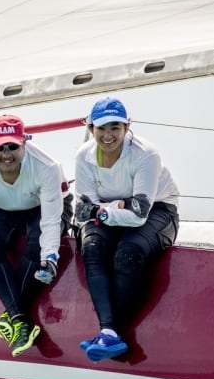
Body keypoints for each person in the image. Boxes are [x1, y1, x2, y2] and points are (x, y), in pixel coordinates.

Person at [74, 97, 179, 361]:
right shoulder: (84, 156)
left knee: (128, 252)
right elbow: (83, 210)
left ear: (127, 127)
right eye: (101, 128)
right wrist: (118, 206)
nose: (108, 135)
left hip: (159, 209)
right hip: (112, 211)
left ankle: (111, 332)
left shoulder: (146, 154)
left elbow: (139, 215)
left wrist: (104, 210)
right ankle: (109, 332)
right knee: (92, 247)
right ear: (91, 129)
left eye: (115, 127)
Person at [0, 114, 64, 356]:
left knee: (36, 246)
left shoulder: (46, 167)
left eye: (13, 147)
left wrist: (50, 257)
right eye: (0, 148)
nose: (6, 154)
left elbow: (50, 221)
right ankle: (20, 320)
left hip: (40, 207)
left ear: (24, 142)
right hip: (1, 207)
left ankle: (13, 318)